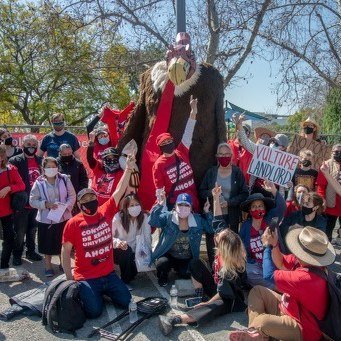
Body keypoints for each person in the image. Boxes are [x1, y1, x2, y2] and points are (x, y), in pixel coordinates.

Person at [61, 155, 136, 318]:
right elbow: (65, 251)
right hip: (86, 277)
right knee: (94, 312)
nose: (90, 201)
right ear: (79, 205)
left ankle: (102, 293)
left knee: (126, 301)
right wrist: (69, 279)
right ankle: (94, 294)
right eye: (85, 200)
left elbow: (119, 190)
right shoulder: (73, 223)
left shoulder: (105, 210)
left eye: (92, 198)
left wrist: (129, 169)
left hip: (108, 273)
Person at [230, 225, 335, 341]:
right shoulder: (309, 263)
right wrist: (274, 245)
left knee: (262, 321)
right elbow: (280, 262)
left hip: (303, 327)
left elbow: (268, 275)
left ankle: (256, 333)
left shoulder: (306, 278)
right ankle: (258, 335)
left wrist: (266, 246)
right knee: (257, 291)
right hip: (289, 308)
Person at [159, 229, 248, 336]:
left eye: (219, 235)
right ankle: (201, 296)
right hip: (218, 286)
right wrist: (200, 290)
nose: (216, 235)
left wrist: (207, 303)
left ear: (224, 245)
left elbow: (223, 292)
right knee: (195, 263)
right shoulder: (221, 252)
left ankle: (175, 320)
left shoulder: (229, 269)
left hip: (229, 298)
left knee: (213, 306)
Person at [149, 191, 214, 287]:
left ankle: (180, 270)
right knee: (162, 263)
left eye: (186, 205)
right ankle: (163, 276)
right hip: (169, 256)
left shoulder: (197, 220)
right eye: (180, 205)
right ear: (175, 206)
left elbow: (211, 229)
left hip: (187, 258)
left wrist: (207, 212)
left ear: (191, 207)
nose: (183, 208)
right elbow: (152, 221)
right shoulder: (168, 217)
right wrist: (159, 205)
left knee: (186, 274)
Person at [199, 142, 248, 266]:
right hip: (214, 215)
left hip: (231, 216)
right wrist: (212, 193)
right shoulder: (211, 172)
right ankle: (214, 267)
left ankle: (231, 267)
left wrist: (229, 203)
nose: (224, 156)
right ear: (217, 156)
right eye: (221, 154)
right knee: (213, 242)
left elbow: (244, 193)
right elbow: (201, 192)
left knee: (231, 243)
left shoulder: (237, 172)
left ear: (231, 155)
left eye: (226, 154)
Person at [29, 157, 76, 276]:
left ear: (57, 167)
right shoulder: (38, 182)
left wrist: (66, 207)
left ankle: (63, 263)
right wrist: (45, 204)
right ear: (43, 168)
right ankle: (48, 266)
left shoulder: (64, 179)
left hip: (63, 217)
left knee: (63, 242)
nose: (51, 169)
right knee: (47, 244)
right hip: (46, 219)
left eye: (53, 166)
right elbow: (32, 201)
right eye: (48, 167)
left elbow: (72, 195)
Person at [152, 95, 200, 212]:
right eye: (165, 143)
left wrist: (193, 112)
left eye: (169, 141)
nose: (168, 143)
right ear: (160, 147)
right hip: (175, 208)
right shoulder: (158, 165)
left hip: (193, 204)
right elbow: (159, 191)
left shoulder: (181, 151)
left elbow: (188, 132)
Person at [239, 180, 286, 288]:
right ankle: (278, 288)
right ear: (250, 210)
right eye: (254, 206)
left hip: (275, 262)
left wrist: (274, 190)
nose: (257, 208)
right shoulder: (246, 226)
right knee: (250, 272)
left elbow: (281, 207)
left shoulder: (270, 219)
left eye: (260, 206)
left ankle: (275, 286)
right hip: (256, 265)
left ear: (264, 208)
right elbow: (241, 247)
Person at [9, 135, 43, 265]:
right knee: (19, 231)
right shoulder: (15, 161)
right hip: (21, 203)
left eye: (34, 144)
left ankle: (31, 251)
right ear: (22, 145)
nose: (31, 147)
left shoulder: (40, 160)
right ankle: (17, 254)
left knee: (33, 229)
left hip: (36, 202)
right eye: (28, 144)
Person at [112, 193, 151, 285]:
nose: (135, 207)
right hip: (120, 250)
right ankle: (124, 281)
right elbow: (109, 236)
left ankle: (130, 271)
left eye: (137, 204)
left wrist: (149, 254)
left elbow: (147, 236)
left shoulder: (144, 217)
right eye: (132, 205)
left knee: (133, 273)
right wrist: (118, 243)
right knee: (126, 251)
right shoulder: (118, 218)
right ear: (126, 207)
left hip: (136, 251)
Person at [0, 145, 25, 269]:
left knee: (9, 238)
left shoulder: (10, 169)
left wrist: (9, 188)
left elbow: (21, 185)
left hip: (6, 211)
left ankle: (3, 264)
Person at [87, 134, 124, 205]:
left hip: (111, 208)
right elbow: (90, 159)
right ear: (104, 159)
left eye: (114, 158)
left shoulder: (121, 173)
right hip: (95, 206)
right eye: (108, 158)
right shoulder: (98, 168)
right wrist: (91, 142)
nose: (111, 160)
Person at [316, 143, 341, 241]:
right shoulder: (326, 165)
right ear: (331, 152)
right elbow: (321, 185)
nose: (338, 154)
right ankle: (328, 249)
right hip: (331, 205)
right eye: (336, 152)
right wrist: (322, 199)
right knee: (328, 230)